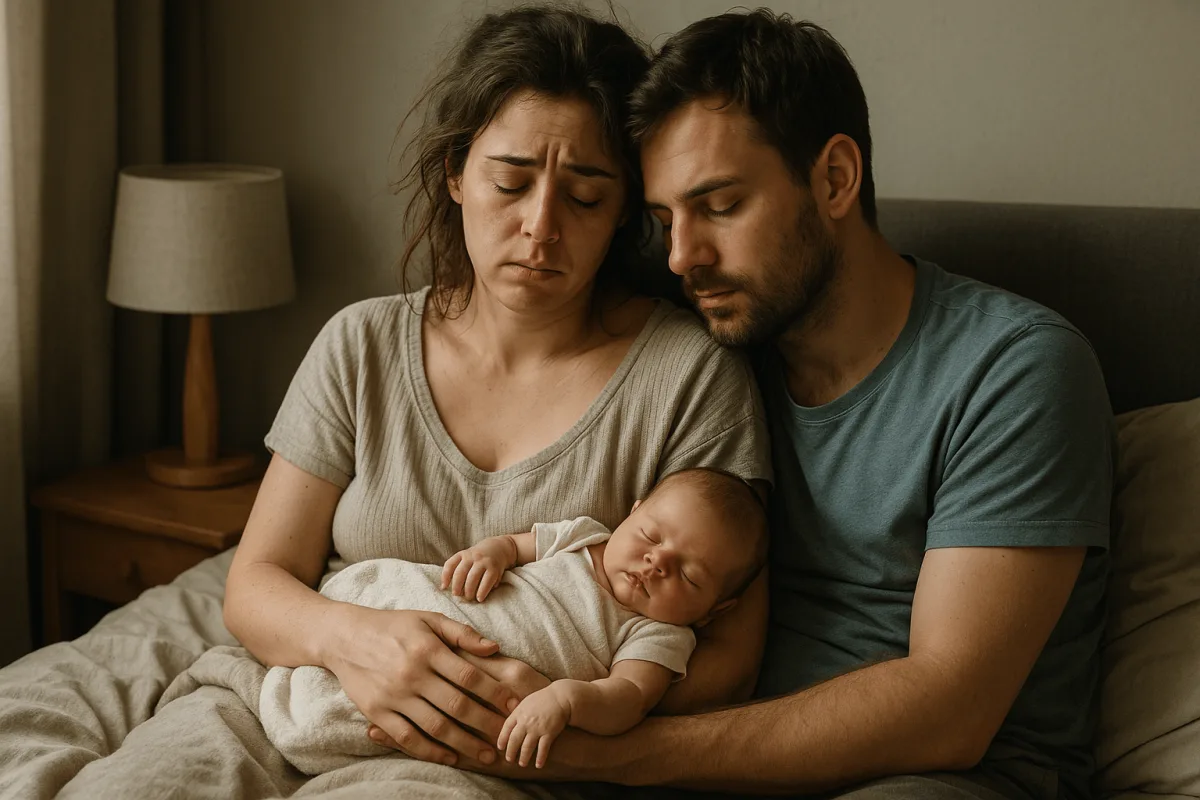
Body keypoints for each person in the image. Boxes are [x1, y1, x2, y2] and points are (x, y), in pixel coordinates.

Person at [448, 10, 1113, 800]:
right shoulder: (709, 353)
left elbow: (951, 710)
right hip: (707, 762)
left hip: (935, 777)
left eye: (720, 206)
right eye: (664, 220)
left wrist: (599, 757)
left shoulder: (1013, 369)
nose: (682, 256)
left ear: (835, 179)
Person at [259, 469, 768, 776]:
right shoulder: (583, 536)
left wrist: (566, 699)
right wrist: (491, 554)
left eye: (690, 575)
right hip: (434, 605)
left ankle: (317, 710)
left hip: (475, 666)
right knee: (388, 598)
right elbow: (516, 545)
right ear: (632, 513)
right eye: (651, 535)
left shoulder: (658, 634)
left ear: (713, 611)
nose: (657, 563)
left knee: (410, 707)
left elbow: (628, 700)